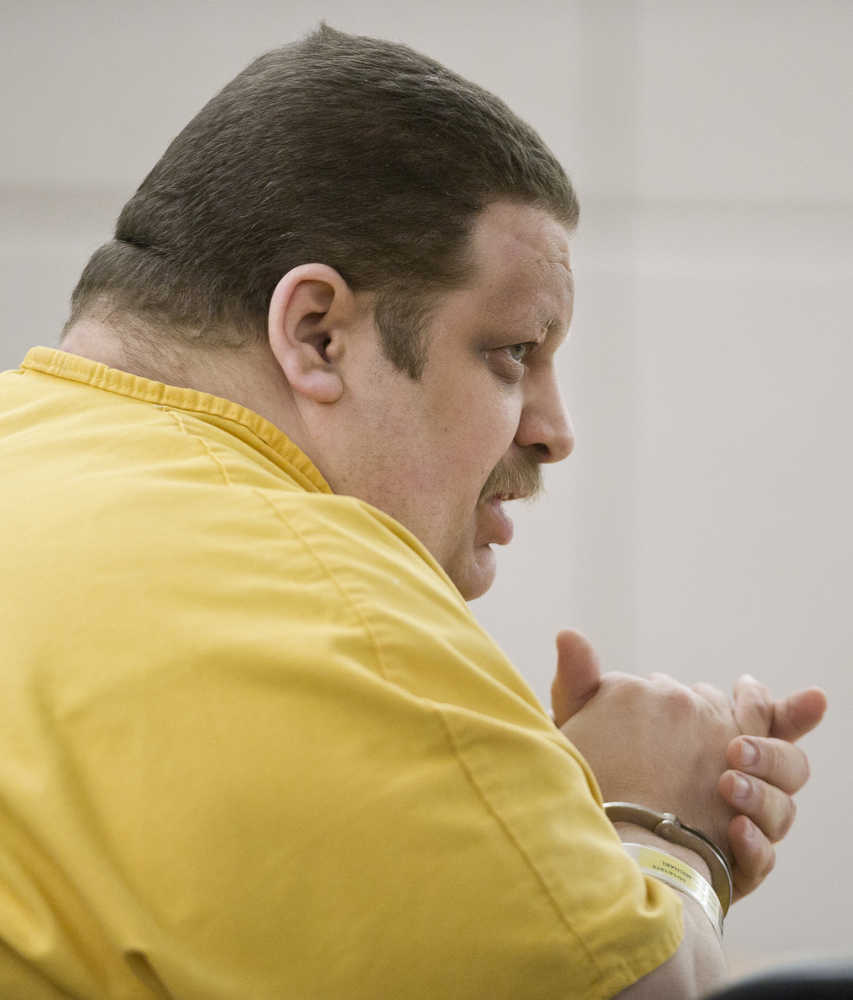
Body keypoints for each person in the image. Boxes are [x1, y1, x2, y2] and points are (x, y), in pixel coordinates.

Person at [0, 24, 825, 1000]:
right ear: (318, 335)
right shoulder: (324, 613)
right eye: (513, 352)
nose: (554, 431)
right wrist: (659, 830)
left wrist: (521, 820)